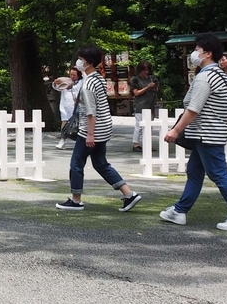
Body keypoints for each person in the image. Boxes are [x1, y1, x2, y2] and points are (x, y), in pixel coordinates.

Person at [161, 34, 227, 231]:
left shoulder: (204, 77)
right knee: (195, 172)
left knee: (218, 174)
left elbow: (194, 108)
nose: (194, 53)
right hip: (211, 133)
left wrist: (175, 130)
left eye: (197, 49)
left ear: (207, 53)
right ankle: (179, 211)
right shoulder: (220, 75)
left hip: (205, 133)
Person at [56, 44, 143, 212]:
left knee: (76, 163)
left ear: (87, 63)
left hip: (91, 130)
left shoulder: (88, 85)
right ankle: (129, 194)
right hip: (103, 129)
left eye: (80, 60)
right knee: (101, 163)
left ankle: (76, 200)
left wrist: (89, 135)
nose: (78, 62)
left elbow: (90, 112)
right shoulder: (98, 78)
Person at [130, 60, 159, 152]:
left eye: (148, 70)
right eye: (144, 70)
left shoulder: (152, 78)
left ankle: (148, 144)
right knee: (139, 125)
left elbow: (157, 90)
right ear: (140, 70)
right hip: (140, 105)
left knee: (149, 126)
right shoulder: (135, 79)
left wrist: (154, 87)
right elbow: (136, 93)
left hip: (150, 105)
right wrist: (147, 87)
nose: (146, 72)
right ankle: (136, 144)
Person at [53, 66, 82, 149]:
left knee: (80, 124)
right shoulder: (66, 80)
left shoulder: (82, 82)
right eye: (71, 74)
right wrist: (55, 83)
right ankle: (62, 140)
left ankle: (81, 142)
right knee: (65, 122)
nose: (72, 76)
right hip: (66, 105)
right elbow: (57, 87)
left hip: (78, 106)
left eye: (74, 75)